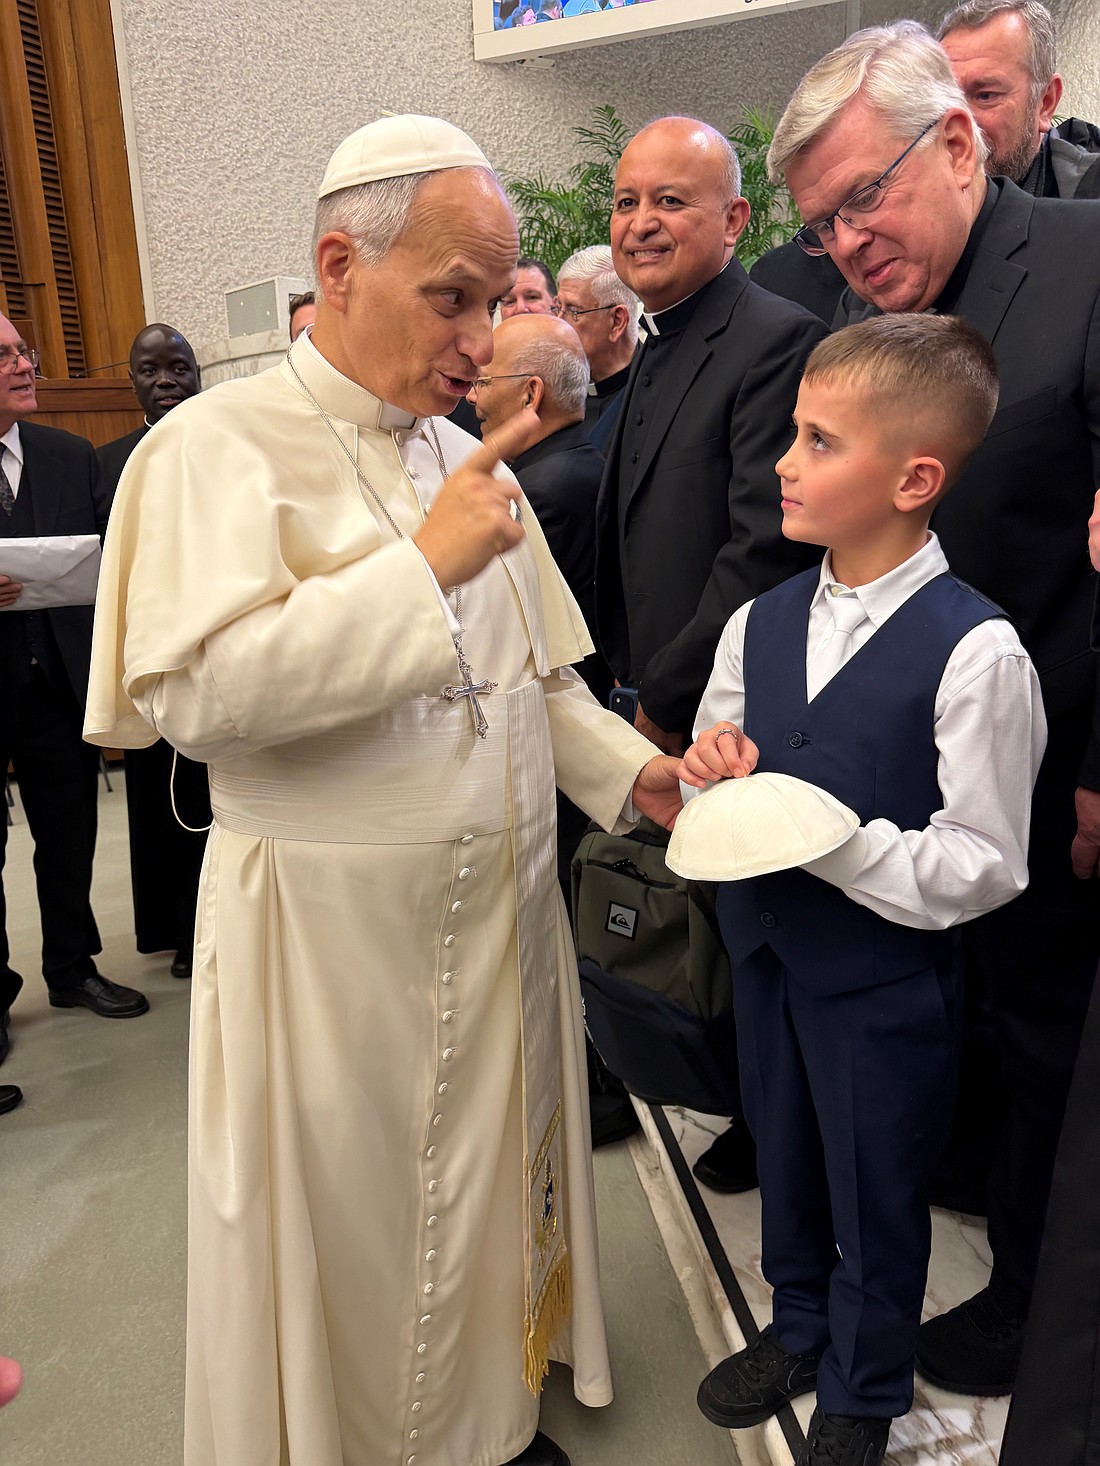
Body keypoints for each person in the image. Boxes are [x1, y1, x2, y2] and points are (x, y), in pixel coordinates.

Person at [84, 114, 682, 1466]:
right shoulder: (214, 447)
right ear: (339, 263)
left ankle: (482, 1422)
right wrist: (420, 570)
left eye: (496, 297)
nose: (483, 340)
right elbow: (202, 697)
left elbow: (539, 685)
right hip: (330, 942)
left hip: (496, 916)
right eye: (451, 298)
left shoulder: (439, 449)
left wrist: (642, 777)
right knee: (361, 1223)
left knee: (479, 1200)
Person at [769, 19, 1100, 1397]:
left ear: (959, 143)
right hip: (901, 769)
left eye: (864, 198)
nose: (845, 241)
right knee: (955, 1034)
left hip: (1061, 755)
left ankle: (1038, 1304)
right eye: (822, 222)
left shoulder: (1086, 266)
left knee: (1046, 1044)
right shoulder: (869, 323)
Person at [688, 314, 1043, 1466]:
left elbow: (983, 859)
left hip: (884, 980)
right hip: (767, 954)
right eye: (790, 433)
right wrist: (713, 773)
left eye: (816, 440)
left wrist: (826, 838)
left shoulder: (976, 650)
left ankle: (864, 1374)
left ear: (912, 477)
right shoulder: (761, 617)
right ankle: (795, 1322)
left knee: (875, 1183)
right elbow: (717, 747)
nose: (782, 463)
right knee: (783, 1152)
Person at [596, 113, 828, 1193]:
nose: (640, 222)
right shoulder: (654, 338)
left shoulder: (770, 335)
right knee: (714, 935)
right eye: (628, 199)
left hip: (728, 706)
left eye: (670, 201)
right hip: (654, 696)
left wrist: (658, 702)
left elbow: (761, 545)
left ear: (734, 219)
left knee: (755, 937)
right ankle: (743, 1103)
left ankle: (787, 1141)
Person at [0, 314, 148, 1042]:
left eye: (23, 351)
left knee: (68, 831)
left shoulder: (67, 455)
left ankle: (72, 966)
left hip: (59, 676)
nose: (24, 366)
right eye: (5, 356)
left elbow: (106, 558)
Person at [98, 324, 211, 980]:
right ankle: (172, 927)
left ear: (198, 374)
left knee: (210, 792)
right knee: (153, 794)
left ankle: (211, 921)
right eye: (150, 370)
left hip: (210, 650)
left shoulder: (229, 447)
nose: (166, 380)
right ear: (133, 381)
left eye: (179, 367)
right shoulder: (108, 463)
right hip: (145, 655)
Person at [938, 0, 1100, 197]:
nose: (956, 125)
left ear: (1045, 103)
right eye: (946, 96)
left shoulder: (1087, 204)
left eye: (985, 96)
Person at [554, 245, 640, 451]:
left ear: (617, 322)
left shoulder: (652, 395)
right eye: (557, 308)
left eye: (573, 311)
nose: (559, 323)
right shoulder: (556, 388)